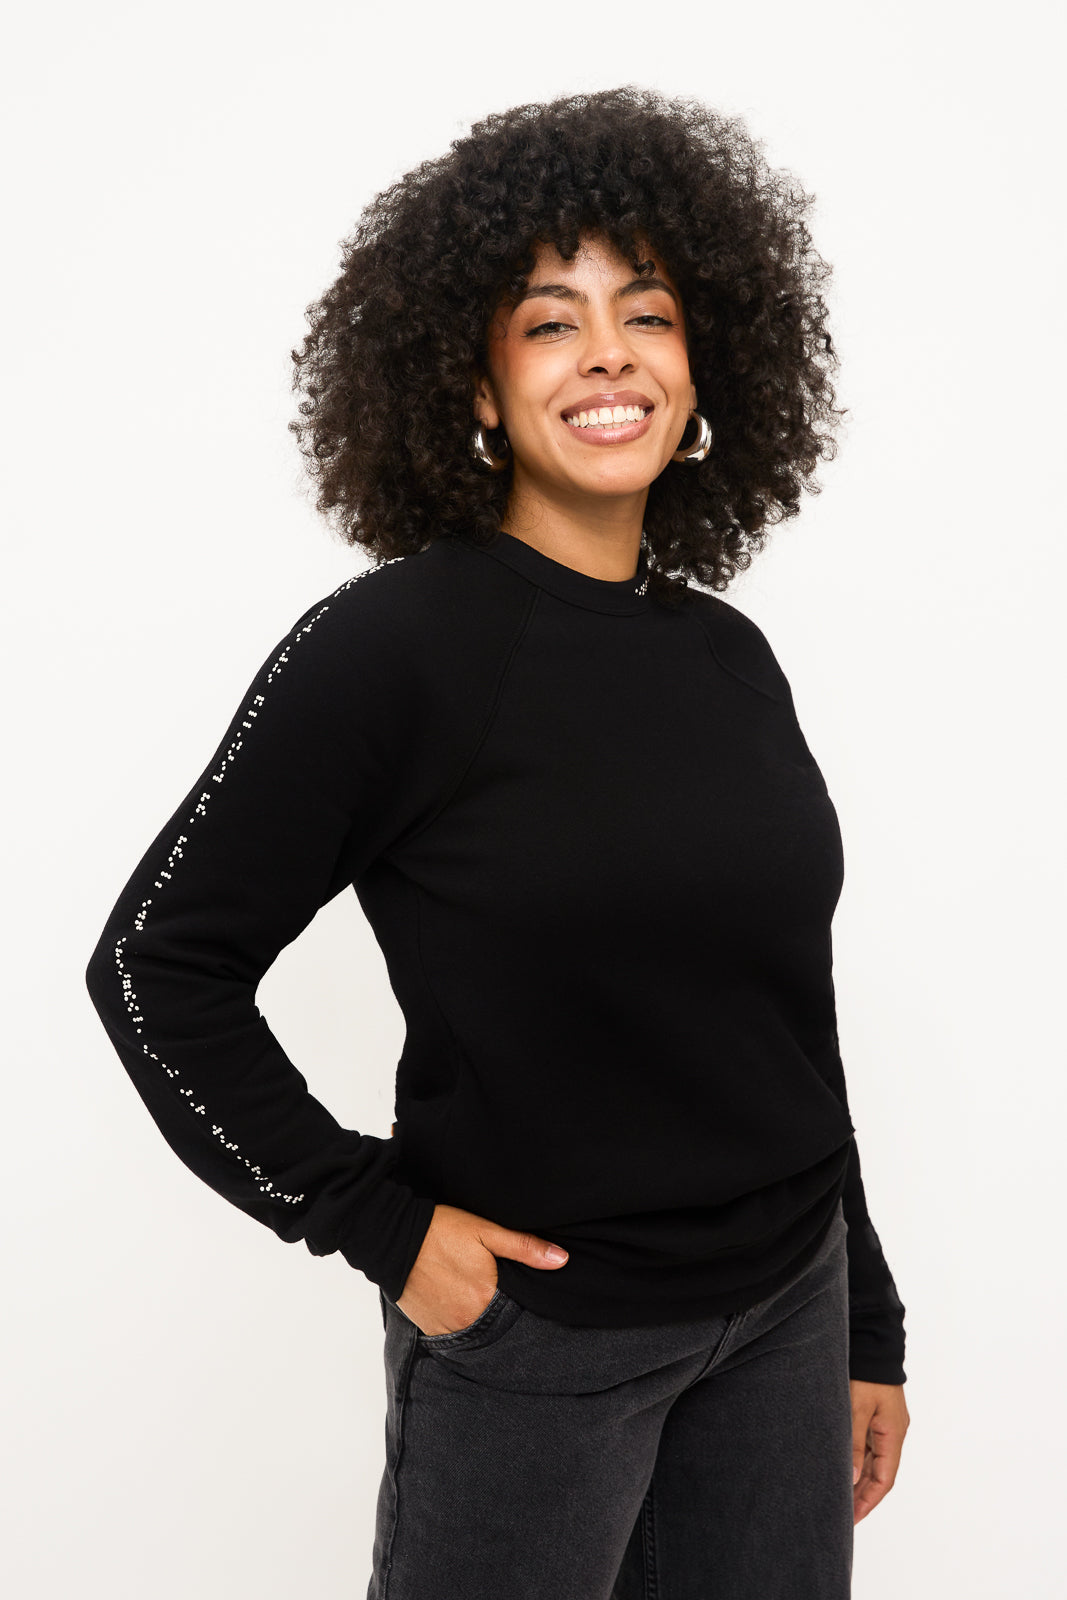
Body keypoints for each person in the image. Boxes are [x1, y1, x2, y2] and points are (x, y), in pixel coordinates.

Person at [85, 85, 910, 1599]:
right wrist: (379, 1225)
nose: (608, 351)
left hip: (789, 1310)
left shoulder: (731, 656)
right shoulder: (396, 647)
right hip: (543, 1344)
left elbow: (787, 1018)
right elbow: (156, 967)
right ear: (471, 387)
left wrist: (867, 1322)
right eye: (549, 322)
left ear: (699, 364)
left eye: (646, 313)